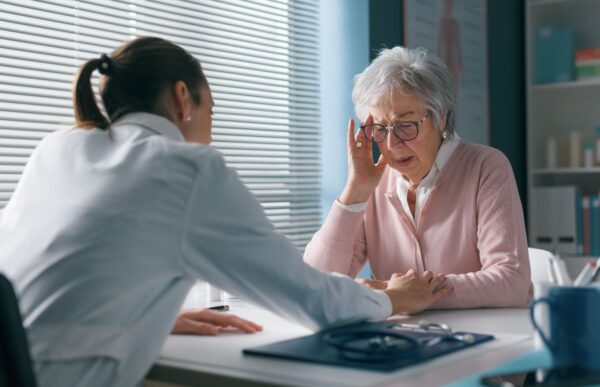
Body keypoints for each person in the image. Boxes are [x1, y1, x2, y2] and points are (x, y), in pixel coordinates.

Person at [0, 37, 453, 387]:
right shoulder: (183, 167)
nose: (211, 132)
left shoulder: (57, 147)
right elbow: (312, 298)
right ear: (183, 98)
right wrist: (395, 298)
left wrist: (151, 316)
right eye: (211, 111)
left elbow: (47, 281)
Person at [304, 46, 531, 309]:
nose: (391, 143)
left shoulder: (486, 167)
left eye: (405, 126)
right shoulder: (373, 184)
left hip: (488, 337)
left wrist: (407, 296)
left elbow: (511, 281)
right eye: (379, 128)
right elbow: (314, 282)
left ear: (441, 119)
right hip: (405, 339)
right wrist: (354, 193)